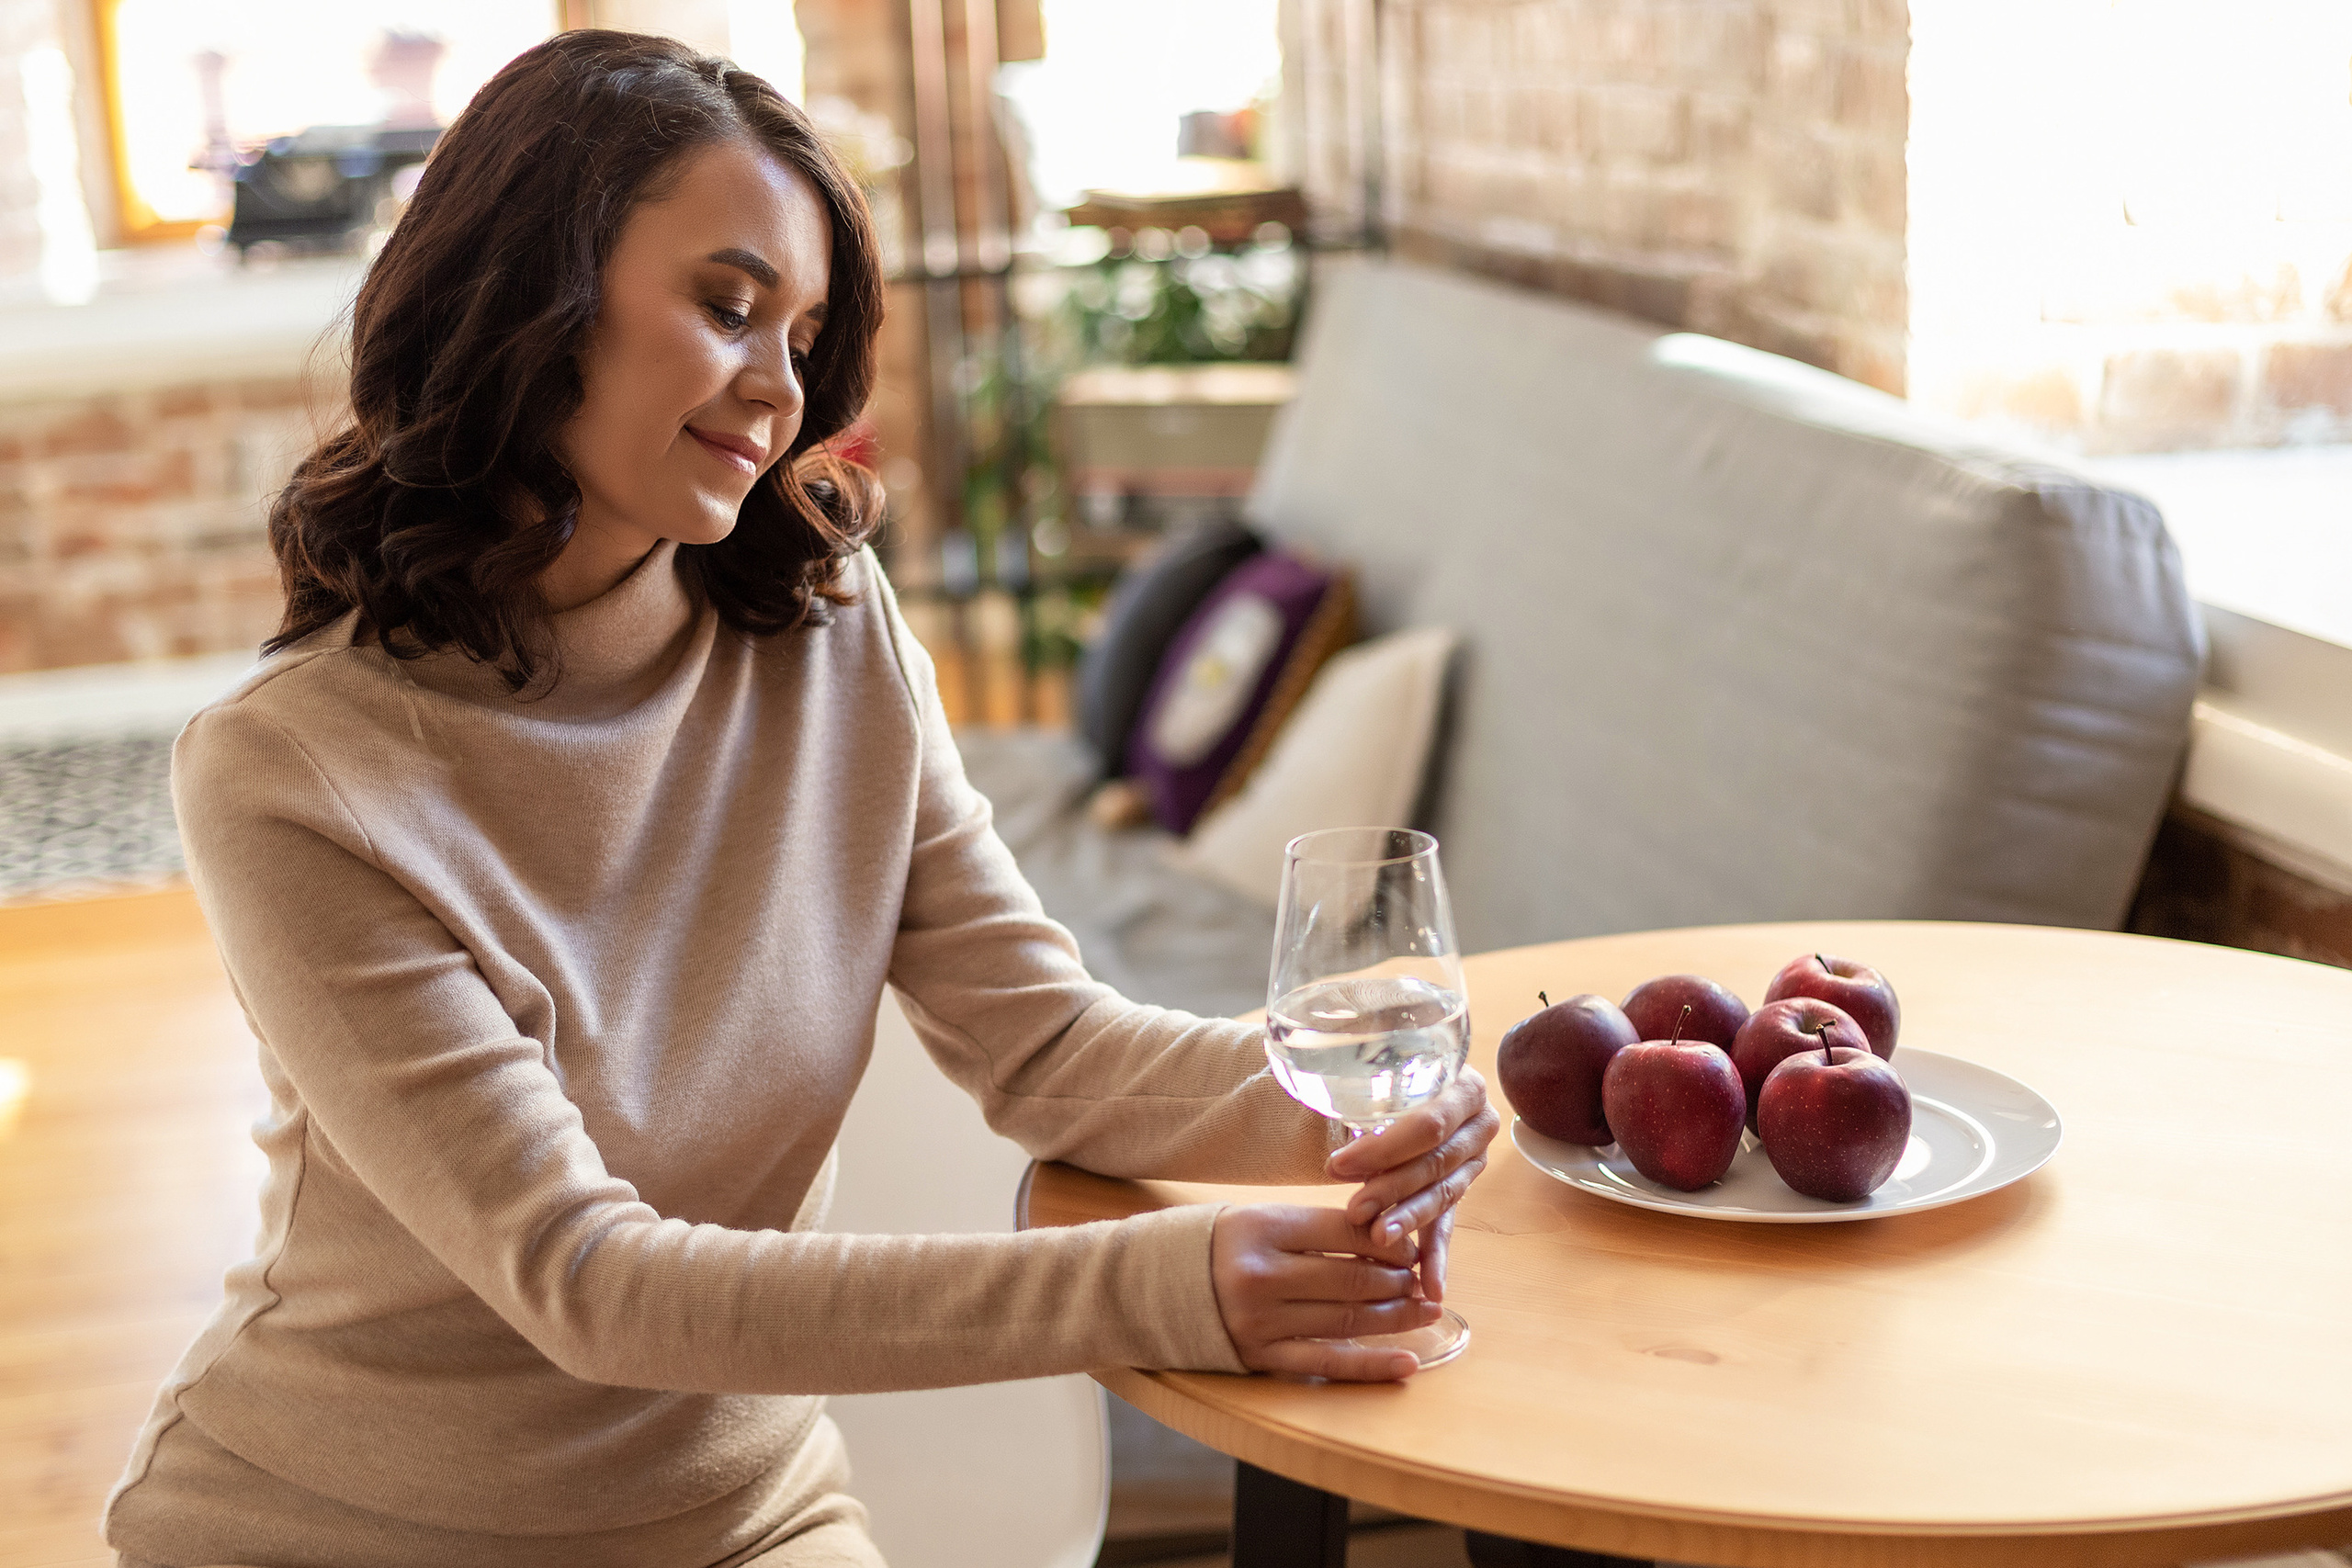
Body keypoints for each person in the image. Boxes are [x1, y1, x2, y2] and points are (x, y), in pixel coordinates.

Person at [104, 30, 1498, 1568]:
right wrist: (1175, 1283)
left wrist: (1358, 1118)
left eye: (804, 333)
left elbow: (1046, 1047)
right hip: (346, 1535)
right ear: (530, 296)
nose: (778, 390)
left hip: (741, 1523)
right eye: (727, 307)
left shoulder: (823, 625)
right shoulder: (294, 776)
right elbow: (589, 1281)